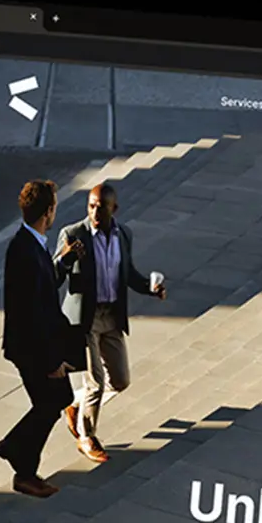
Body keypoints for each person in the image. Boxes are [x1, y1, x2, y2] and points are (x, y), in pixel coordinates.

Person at [54, 180, 166, 463]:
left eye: (101, 208)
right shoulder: (73, 234)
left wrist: (150, 288)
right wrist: (65, 259)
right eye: (91, 206)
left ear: (114, 209)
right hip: (85, 320)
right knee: (96, 383)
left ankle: (75, 404)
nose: (95, 212)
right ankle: (86, 436)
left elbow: (128, 273)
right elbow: (51, 277)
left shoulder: (124, 235)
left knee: (121, 380)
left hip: (112, 317)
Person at [0, 178, 79, 498]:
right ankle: (18, 458)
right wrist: (51, 361)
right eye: (54, 206)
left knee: (55, 400)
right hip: (30, 348)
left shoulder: (33, 243)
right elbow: (32, 313)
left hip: (35, 344)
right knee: (52, 400)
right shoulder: (24, 250)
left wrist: (64, 260)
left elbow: (42, 287)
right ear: (48, 212)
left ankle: (20, 459)